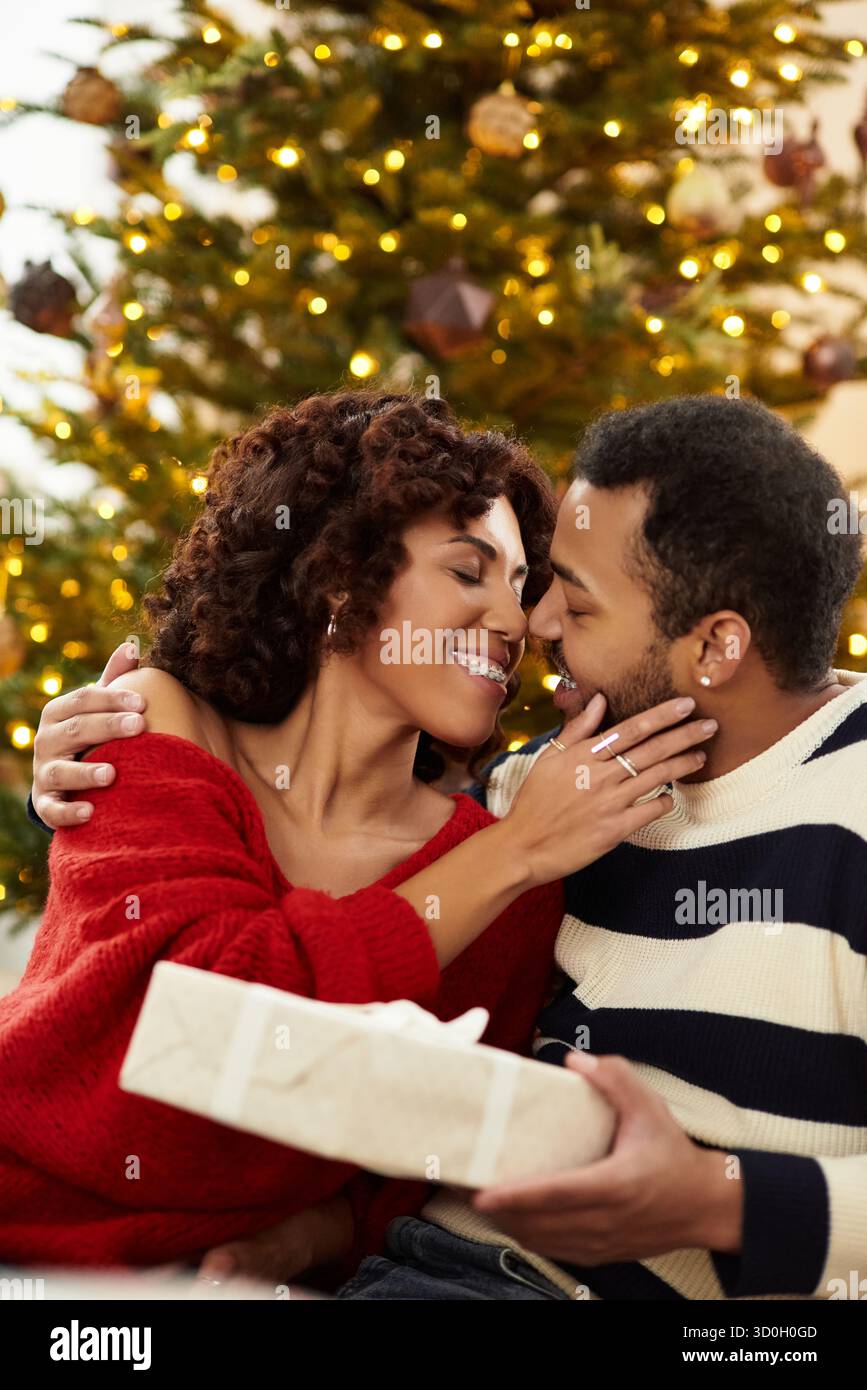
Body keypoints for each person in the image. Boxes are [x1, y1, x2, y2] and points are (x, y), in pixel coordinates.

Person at [4, 389, 709, 1276]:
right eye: (467, 571)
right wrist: (514, 850)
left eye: (522, 586)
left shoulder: (500, 876)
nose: (515, 623)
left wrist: (313, 1237)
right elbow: (199, 1017)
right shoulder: (155, 724)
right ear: (341, 578)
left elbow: (430, 1159)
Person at [333, 394, 867, 1301]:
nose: (534, 624)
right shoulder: (564, 774)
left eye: (575, 607)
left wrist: (713, 1203)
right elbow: (322, 838)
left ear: (716, 646)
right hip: (418, 1263)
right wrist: (113, 751)